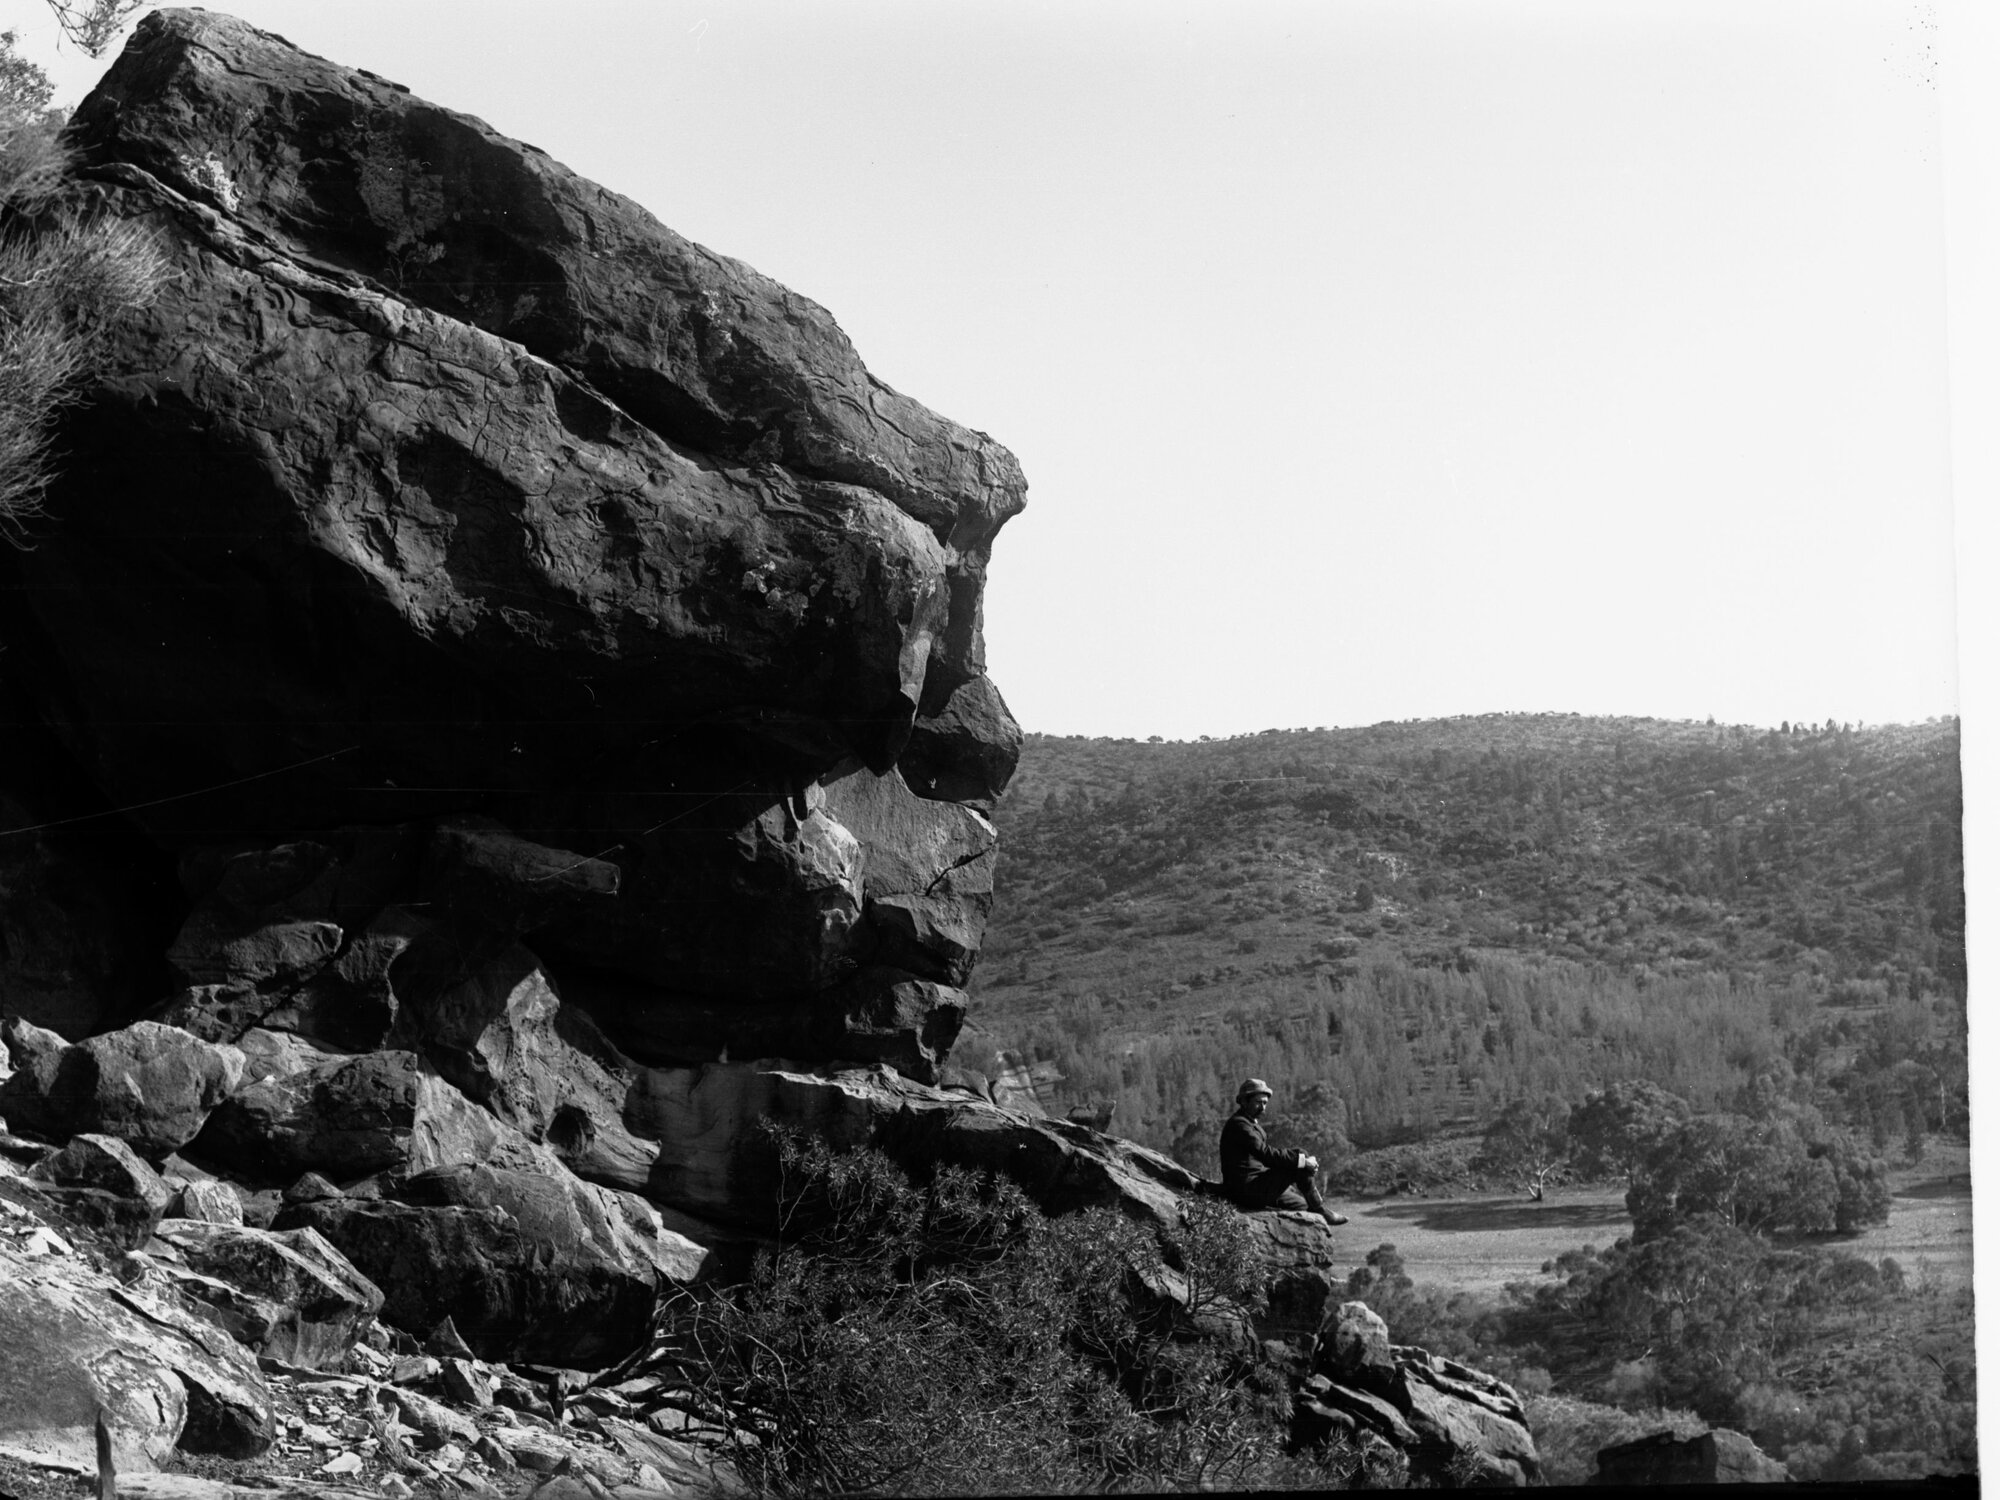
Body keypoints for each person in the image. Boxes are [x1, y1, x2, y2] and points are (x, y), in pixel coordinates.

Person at [1219, 1078, 1347, 1227]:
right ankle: (1320, 1209)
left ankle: (1317, 1209)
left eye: (1265, 1103)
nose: (1262, 1107)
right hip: (1246, 1191)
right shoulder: (1239, 1125)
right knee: (1299, 1162)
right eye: (1258, 1102)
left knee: (1303, 1206)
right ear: (1244, 1102)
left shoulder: (1250, 1123)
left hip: (1256, 1186)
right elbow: (1266, 1155)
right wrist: (1303, 1162)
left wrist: (1301, 1159)